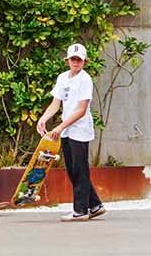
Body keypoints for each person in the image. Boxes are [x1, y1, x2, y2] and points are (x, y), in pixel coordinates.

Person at [41, 43, 104, 221]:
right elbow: (56, 103)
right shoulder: (63, 78)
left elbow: (81, 109)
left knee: (80, 169)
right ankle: (95, 205)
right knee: (71, 169)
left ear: (84, 61)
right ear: (67, 60)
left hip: (80, 128)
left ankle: (81, 210)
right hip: (67, 129)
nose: (76, 62)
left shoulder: (85, 80)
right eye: (73, 59)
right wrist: (43, 118)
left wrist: (60, 127)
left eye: (79, 59)